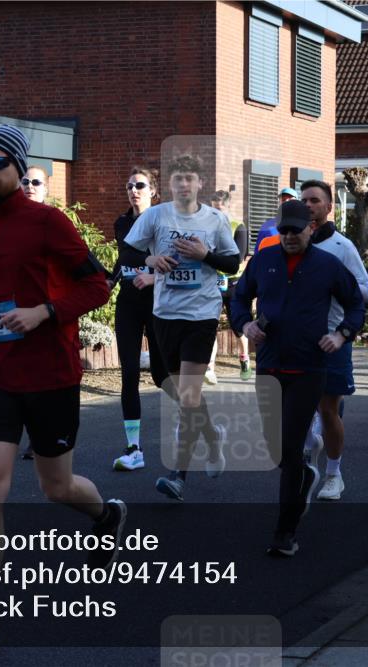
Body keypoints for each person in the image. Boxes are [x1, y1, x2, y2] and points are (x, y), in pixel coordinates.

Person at [0, 125, 123, 650]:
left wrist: (44, 311)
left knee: (56, 487)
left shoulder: (50, 222)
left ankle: (107, 514)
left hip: (51, 375)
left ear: (20, 170)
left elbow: (98, 284)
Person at [231, 199, 365, 556]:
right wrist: (244, 323)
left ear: (311, 229)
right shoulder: (264, 260)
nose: (290, 236)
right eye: (284, 229)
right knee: (276, 449)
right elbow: (239, 297)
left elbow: (356, 303)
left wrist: (342, 335)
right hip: (270, 364)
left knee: (289, 447)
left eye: (296, 229)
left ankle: (285, 532)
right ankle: (305, 476)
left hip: (309, 368)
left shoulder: (327, 265)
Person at [123, 154, 241, 501]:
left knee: (188, 394)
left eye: (190, 178)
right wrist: (151, 258)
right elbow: (126, 252)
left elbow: (232, 263)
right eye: (178, 179)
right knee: (169, 383)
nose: (184, 185)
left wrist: (206, 255)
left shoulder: (215, 220)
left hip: (201, 316)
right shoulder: (156, 216)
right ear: (171, 186)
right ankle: (212, 434)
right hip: (165, 314)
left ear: (200, 184)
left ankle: (178, 475)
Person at [298, 179, 368, 501]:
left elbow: (365, 291)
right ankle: (311, 445)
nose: (309, 205)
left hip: (332, 338)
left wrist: (335, 293)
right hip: (297, 339)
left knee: (329, 409)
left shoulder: (342, 247)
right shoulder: (290, 242)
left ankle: (334, 474)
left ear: (329, 207)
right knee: (298, 408)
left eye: (315, 200)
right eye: (305, 200)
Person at [108, 167, 168, 471]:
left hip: (157, 303)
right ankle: (134, 448)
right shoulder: (122, 222)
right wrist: (109, 281)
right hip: (128, 302)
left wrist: (155, 276)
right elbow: (124, 257)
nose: (134, 190)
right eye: (129, 185)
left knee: (161, 376)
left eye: (140, 185)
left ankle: (204, 426)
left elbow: (176, 260)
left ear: (153, 191)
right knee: (129, 373)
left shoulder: (164, 222)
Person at [18, 164, 51, 459]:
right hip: (11, 310)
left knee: (39, 377)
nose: (29, 185)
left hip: (44, 313)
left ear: (46, 189)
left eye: (36, 182)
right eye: (25, 181)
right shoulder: (9, 221)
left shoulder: (54, 223)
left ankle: (40, 436)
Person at [206, 189, 251, 383]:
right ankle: (210, 368)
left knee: (237, 326)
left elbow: (239, 258)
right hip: (212, 282)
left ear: (228, 207)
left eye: (220, 209)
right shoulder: (207, 226)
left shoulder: (238, 226)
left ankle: (244, 358)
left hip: (233, 283)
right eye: (214, 209)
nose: (217, 213)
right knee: (209, 325)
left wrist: (212, 258)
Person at [253, 187, 299, 253]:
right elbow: (257, 253)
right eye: (283, 199)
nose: (286, 201)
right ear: (279, 203)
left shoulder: (303, 226)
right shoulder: (267, 226)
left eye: (290, 199)